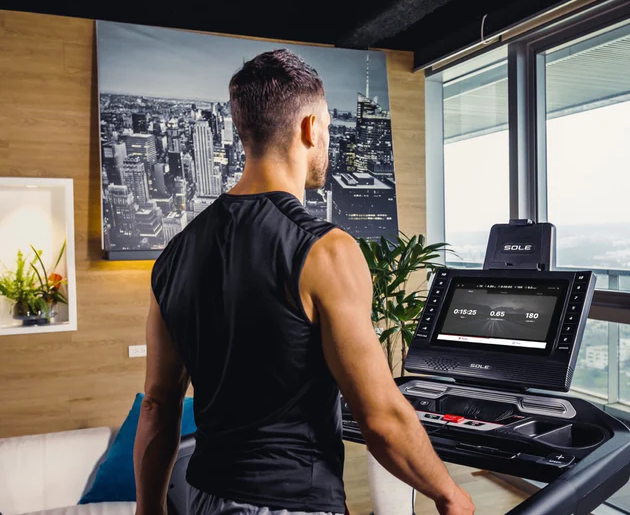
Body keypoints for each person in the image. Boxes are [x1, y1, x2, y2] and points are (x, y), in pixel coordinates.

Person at [133, 49, 475, 515]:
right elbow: (380, 418)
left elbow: (157, 405)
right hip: (291, 503)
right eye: (330, 128)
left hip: (204, 499)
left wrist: (148, 509)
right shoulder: (326, 250)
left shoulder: (174, 255)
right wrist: (449, 493)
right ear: (310, 128)